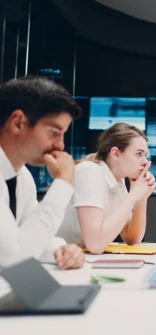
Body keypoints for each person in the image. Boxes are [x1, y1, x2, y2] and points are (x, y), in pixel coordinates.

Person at [0, 76, 85, 270]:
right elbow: (15, 259)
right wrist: (64, 183)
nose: (61, 145)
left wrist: (61, 249)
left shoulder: (23, 178)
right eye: (54, 132)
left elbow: (24, 239)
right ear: (18, 122)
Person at [56, 123, 156, 254]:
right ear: (115, 153)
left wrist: (141, 198)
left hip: (78, 258)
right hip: (52, 258)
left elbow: (132, 238)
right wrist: (133, 196)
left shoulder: (118, 182)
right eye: (139, 154)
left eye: (145, 155)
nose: (145, 162)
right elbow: (96, 245)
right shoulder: (89, 171)